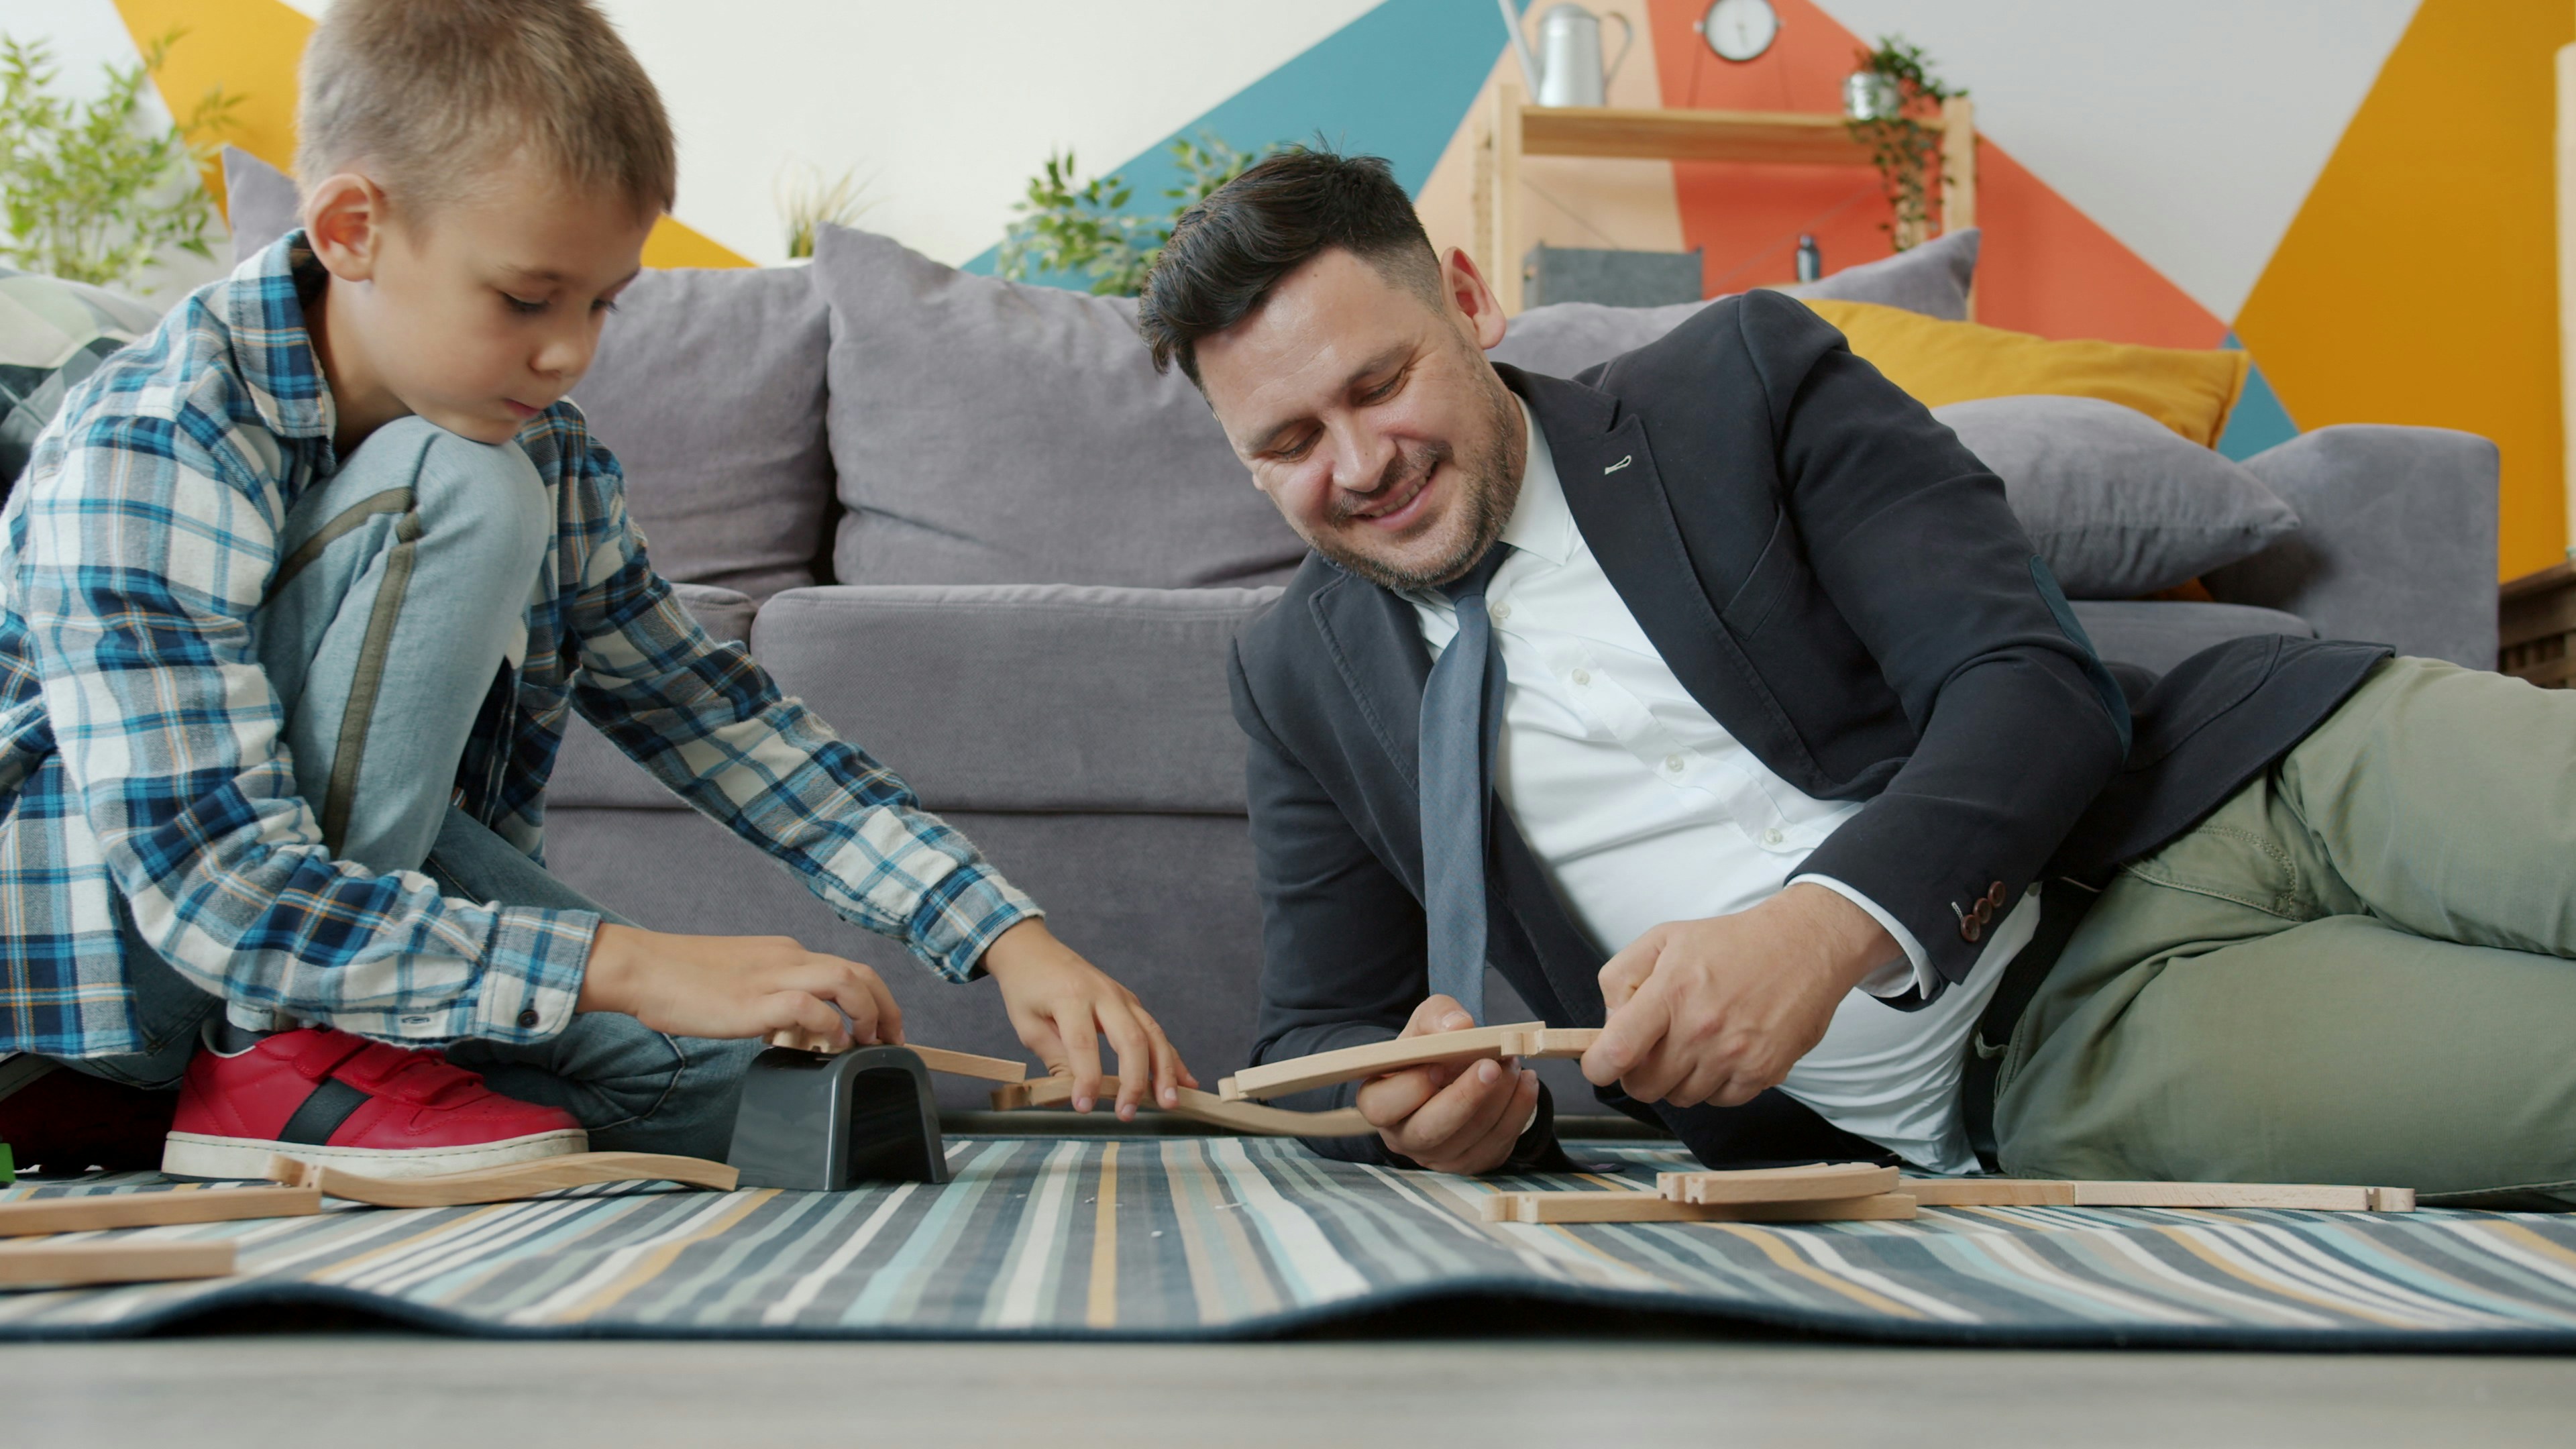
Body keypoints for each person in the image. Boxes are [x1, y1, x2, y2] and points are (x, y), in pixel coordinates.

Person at [1138, 148, 2576, 1207]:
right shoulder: (1295, 674)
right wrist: (1430, 1109)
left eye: (1379, 384)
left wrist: (1822, 929)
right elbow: (1316, 1034)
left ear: (1468, 301)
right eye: (1288, 444)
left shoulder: (1740, 379)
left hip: (2268, 770)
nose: (1358, 465)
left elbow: (2025, 676)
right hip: (2067, 1049)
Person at [0, 0, 1189, 1179]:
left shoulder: (544, 444)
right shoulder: (155, 439)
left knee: (776, 1094)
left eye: (602, 301)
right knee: (464, 485)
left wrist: (1004, 934)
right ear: (354, 229)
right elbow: (212, 884)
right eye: (527, 299)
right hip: (101, 994)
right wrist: (625, 965)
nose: (571, 352)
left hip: (357, 938)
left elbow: (712, 716)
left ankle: (312, 1071)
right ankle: (281, 1061)